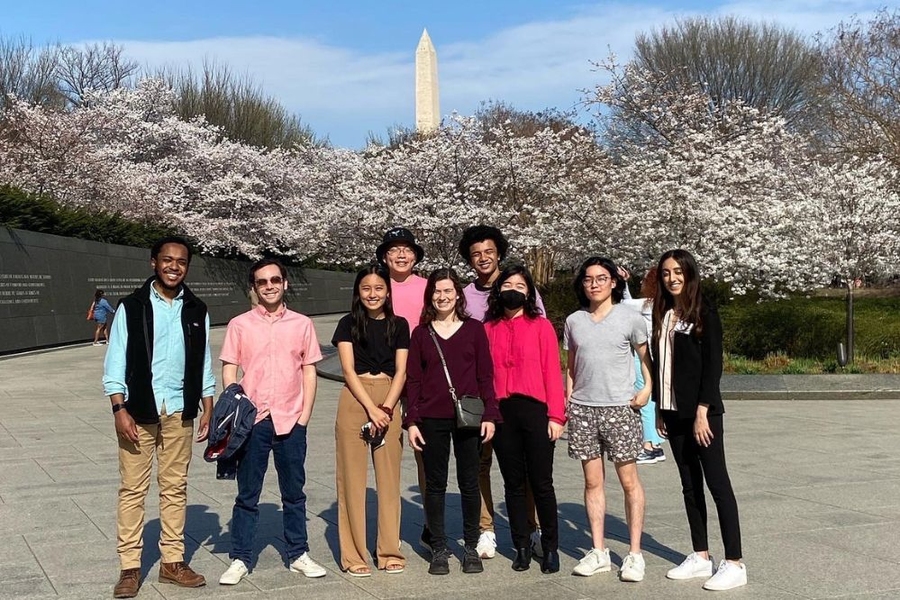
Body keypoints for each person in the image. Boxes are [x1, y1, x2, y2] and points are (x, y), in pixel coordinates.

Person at [102, 235, 215, 598]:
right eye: (167, 260)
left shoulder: (196, 309)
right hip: (138, 410)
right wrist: (119, 408)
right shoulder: (132, 307)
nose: (173, 266)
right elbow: (115, 360)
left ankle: (172, 562)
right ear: (154, 262)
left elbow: (205, 361)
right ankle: (130, 567)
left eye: (181, 261)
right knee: (133, 489)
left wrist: (208, 403)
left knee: (175, 487)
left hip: (180, 410)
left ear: (187, 266)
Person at [217, 258, 327, 585]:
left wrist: (305, 415)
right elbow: (229, 367)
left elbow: (309, 369)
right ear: (254, 287)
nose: (269, 286)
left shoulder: (302, 324)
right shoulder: (239, 324)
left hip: (291, 419)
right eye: (262, 282)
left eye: (275, 280)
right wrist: (237, 404)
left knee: (294, 493)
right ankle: (240, 557)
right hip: (253, 422)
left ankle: (298, 553)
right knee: (247, 494)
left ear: (285, 283)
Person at [652, 249, 747, 591]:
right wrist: (660, 408)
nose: (672, 278)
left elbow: (713, 366)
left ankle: (734, 561)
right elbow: (661, 364)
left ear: (690, 274)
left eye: (678, 272)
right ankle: (700, 555)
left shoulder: (704, 313)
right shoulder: (663, 314)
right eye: (666, 273)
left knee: (717, 483)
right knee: (689, 484)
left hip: (702, 414)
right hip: (673, 411)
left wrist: (703, 410)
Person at [457, 225, 545, 560]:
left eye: (488, 251)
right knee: (480, 463)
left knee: (522, 466)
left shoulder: (524, 289)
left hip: (519, 396)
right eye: (476, 253)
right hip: (480, 394)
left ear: (499, 253)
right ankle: (486, 528)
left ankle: (530, 527)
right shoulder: (466, 296)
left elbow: (540, 342)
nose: (483, 258)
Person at [404, 268, 499, 575]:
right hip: (432, 417)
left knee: (470, 482)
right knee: (435, 485)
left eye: (448, 291)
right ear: (429, 296)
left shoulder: (473, 329)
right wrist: (412, 421)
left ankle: (470, 544)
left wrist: (490, 414)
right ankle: (440, 546)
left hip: (468, 418)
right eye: (437, 292)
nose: (442, 297)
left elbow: (486, 375)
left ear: (458, 294)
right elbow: (413, 381)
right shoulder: (421, 333)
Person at [564, 257, 652, 583]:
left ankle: (634, 554)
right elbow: (571, 366)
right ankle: (598, 551)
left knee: (629, 481)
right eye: (589, 279)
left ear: (613, 282)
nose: (595, 284)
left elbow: (646, 360)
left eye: (602, 278)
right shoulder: (574, 321)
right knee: (592, 482)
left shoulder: (630, 319)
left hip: (620, 408)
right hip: (584, 409)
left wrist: (647, 391)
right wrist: (569, 400)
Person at [484, 264, 565, 574]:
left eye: (520, 285)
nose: (513, 290)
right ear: (498, 290)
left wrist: (556, 415)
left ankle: (550, 547)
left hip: (536, 409)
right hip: (503, 411)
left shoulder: (541, 326)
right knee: (513, 483)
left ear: (529, 292)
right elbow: (484, 375)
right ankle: (520, 544)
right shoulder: (488, 328)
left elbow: (552, 373)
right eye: (507, 285)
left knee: (542, 482)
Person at [331, 264, 409, 576]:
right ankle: (354, 556)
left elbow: (402, 370)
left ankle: (389, 550)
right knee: (351, 479)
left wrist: (387, 409)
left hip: (389, 395)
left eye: (378, 288)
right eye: (366, 288)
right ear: (358, 292)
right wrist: (371, 409)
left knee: (389, 480)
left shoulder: (400, 325)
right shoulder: (347, 323)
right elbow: (348, 371)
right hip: (355, 396)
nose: (372, 294)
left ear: (387, 292)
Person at [375, 226, 432, 549]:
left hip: (421, 379)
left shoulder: (427, 288)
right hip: (385, 378)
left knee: (424, 451)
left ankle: (430, 521)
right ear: (385, 256)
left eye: (407, 249)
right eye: (394, 249)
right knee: (387, 451)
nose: (401, 254)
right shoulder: (377, 287)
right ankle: (388, 527)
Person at [622, 267, 667, 464]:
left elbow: (624, 303)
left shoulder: (644, 305)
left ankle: (647, 445)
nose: (641, 284)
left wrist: (621, 281)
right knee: (654, 400)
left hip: (643, 356)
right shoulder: (661, 304)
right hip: (659, 356)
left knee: (644, 399)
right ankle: (656, 444)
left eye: (643, 281)